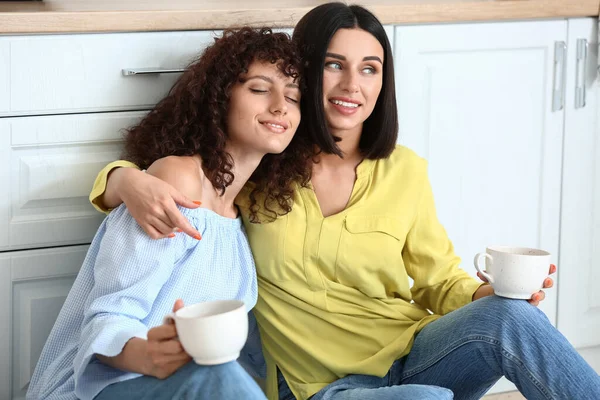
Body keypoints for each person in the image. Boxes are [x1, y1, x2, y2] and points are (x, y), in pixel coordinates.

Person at [89, 3, 600, 400]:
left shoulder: (405, 171)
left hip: (415, 350)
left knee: (512, 318)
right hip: (319, 385)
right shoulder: (266, 161)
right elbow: (186, 174)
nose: (353, 85)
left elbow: (439, 280)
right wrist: (123, 181)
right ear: (306, 72)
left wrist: (492, 296)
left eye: (371, 68)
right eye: (335, 65)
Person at [27, 27, 313, 400]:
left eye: (292, 97)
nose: (280, 106)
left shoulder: (241, 221)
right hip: (101, 386)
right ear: (219, 98)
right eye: (259, 89)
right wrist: (148, 354)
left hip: (182, 387)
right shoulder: (177, 181)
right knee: (221, 377)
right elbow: (109, 316)